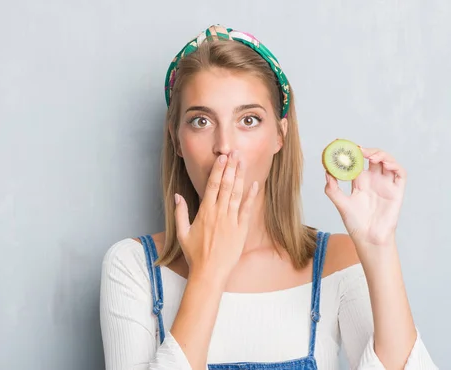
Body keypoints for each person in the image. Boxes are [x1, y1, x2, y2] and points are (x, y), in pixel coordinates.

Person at [99, 24, 438, 370]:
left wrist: (379, 250)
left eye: (248, 119)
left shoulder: (339, 264)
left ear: (280, 135)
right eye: (201, 121)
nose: (224, 146)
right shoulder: (132, 267)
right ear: (176, 140)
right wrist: (208, 273)